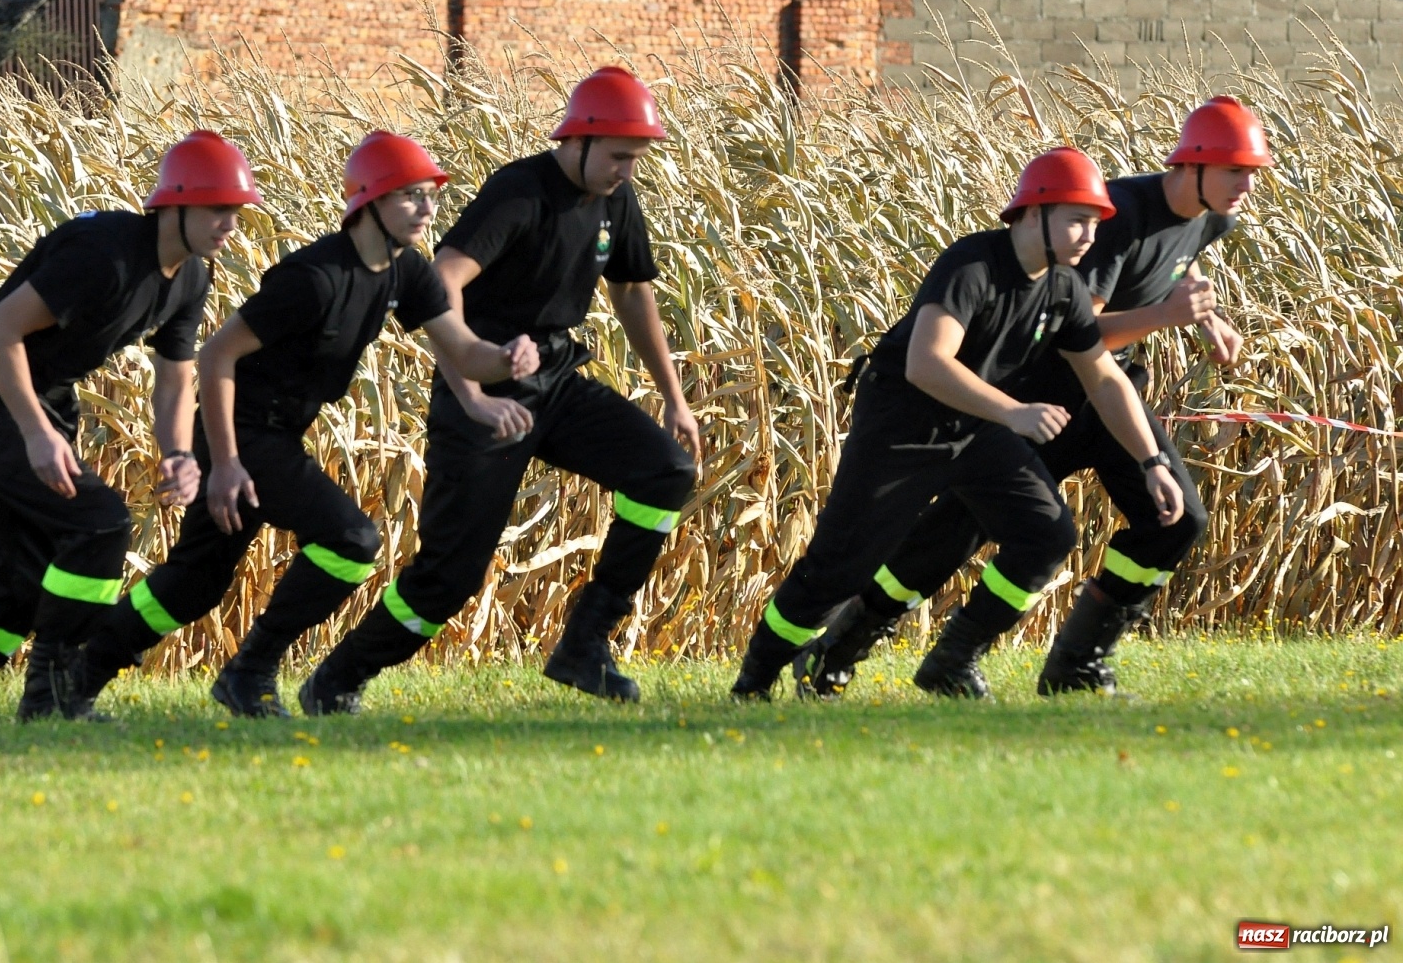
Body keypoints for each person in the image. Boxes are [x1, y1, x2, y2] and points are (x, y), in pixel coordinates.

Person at [792, 96, 1269, 700]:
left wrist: (1207, 318)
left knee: (1176, 521)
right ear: (1191, 165)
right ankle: (839, 649)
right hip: (1041, 397)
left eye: (1252, 173)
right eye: (1235, 171)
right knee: (954, 534)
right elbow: (1082, 335)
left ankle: (1075, 664)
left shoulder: (1214, 218)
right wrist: (1165, 316)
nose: (1247, 186)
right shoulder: (1118, 217)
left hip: (1109, 398)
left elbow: (1179, 264)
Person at [68, 132, 540, 718]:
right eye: (411, 196)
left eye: (432, 196)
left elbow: (465, 351)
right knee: (351, 541)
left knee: (195, 582)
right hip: (241, 432)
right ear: (369, 201)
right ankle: (250, 672)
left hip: (278, 436)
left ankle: (77, 677)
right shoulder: (315, 277)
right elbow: (216, 357)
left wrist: (506, 360)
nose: (427, 209)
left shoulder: (407, 271)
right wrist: (226, 464)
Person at [297, 67, 701, 714]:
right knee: (449, 576)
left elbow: (631, 291)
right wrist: (474, 394)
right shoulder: (519, 191)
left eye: (635, 158)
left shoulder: (616, 199)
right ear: (578, 139)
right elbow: (443, 281)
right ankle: (337, 679)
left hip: (556, 380)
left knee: (667, 471)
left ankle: (586, 643)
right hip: (483, 390)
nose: (627, 170)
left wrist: (675, 399)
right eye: (619, 156)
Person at [730, 147, 1186, 701]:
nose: (1090, 236)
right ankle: (754, 683)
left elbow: (1105, 379)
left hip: (975, 430)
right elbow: (927, 363)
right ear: (1033, 213)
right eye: (1077, 220)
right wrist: (1014, 412)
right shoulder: (972, 264)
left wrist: (1151, 462)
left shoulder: (1064, 288)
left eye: (1096, 223)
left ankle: (954, 659)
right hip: (902, 426)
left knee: (1046, 534)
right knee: (838, 570)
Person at [0, 131, 258, 726]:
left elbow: (174, 379)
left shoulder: (192, 277)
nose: (230, 224)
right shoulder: (103, 255)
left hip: (49, 404)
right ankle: (53, 695)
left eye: (237, 211)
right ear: (175, 203)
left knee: (21, 581)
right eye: (218, 208)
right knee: (99, 523)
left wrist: (179, 453)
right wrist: (36, 433)